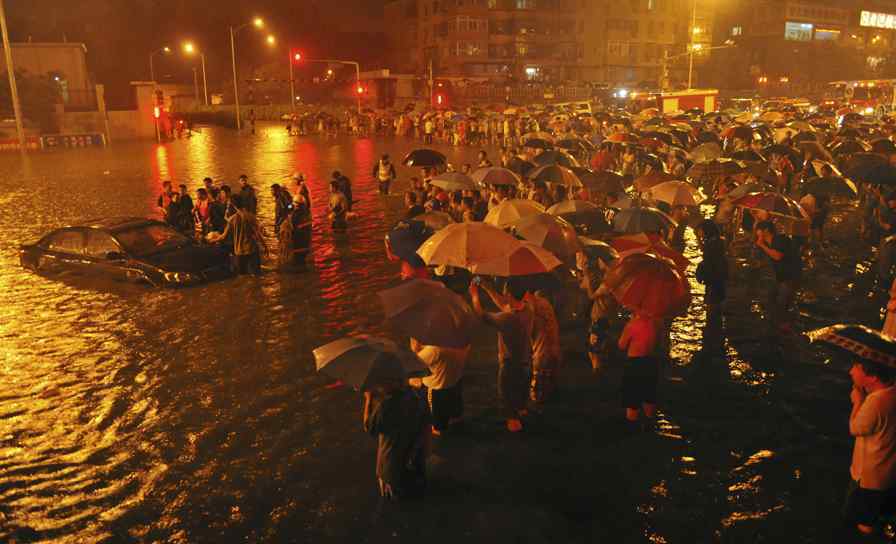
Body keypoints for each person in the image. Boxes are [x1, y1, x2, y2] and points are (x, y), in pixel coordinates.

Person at [469, 278, 534, 433]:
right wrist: (485, 286)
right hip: (526, 360)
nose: (503, 294)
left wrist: (474, 295)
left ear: (510, 295)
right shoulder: (528, 309)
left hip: (510, 363)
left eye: (505, 292)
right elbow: (503, 304)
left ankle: (514, 426)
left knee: (506, 394)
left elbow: (481, 315)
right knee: (521, 393)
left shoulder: (507, 318)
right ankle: (521, 412)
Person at [844, 357, 896, 535]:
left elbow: (855, 428)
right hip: (888, 472)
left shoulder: (875, 403)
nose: (851, 371)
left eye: (856, 367)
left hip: (869, 478)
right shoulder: (891, 391)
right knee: (881, 512)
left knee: (863, 522)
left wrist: (858, 401)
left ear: (872, 377)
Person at [363, 369, 431, 500]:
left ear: (390, 382)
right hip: (415, 458)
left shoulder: (386, 406)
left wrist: (369, 399)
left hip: (392, 466)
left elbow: (369, 428)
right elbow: (426, 424)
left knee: (395, 498)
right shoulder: (418, 395)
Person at [409, 338, 470, 436]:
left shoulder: (434, 350)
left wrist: (415, 348)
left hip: (437, 389)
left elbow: (414, 363)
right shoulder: (462, 341)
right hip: (455, 382)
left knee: (438, 428)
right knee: (455, 417)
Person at [755, 220, 801, 337]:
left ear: (765, 230)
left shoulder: (779, 240)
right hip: (780, 276)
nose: (756, 232)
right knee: (772, 298)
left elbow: (777, 256)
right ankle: (778, 322)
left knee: (783, 301)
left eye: (758, 229)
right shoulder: (770, 241)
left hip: (790, 276)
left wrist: (762, 245)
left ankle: (786, 327)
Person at [618, 312, 660, 427]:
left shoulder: (632, 325)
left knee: (632, 400)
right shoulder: (656, 323)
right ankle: (650, 426)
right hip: (650, 363)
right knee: (649, 397)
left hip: (634, 364)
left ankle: (632, 428)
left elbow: (621, 345)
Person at [208, 194, 266, 275]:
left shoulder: (232, 220)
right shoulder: (251, 216)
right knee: (257, 275)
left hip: (240, 252)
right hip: (252, 249)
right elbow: (258, 234)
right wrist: (265, 246)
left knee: (242, 276)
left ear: (233, 205)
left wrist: (212, 240)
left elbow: (223, 237)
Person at [696, 220, 728, 351]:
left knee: (712, 304)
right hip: (719, 278)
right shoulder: (717, 241)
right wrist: (699, 239)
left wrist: (703, 275)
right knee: (715, 304)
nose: (699, 232)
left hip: (714, 279)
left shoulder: (713, 244)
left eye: (700, 230)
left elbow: (709, 261)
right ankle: (716, 331)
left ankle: (712, 333)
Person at [525, 291, 561, 405]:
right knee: (548, 384)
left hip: (541, 356)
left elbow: (527, 332)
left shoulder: (531, 307)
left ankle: (538, 404)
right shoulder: (545, 303)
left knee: (538, 390)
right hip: (555, 353)